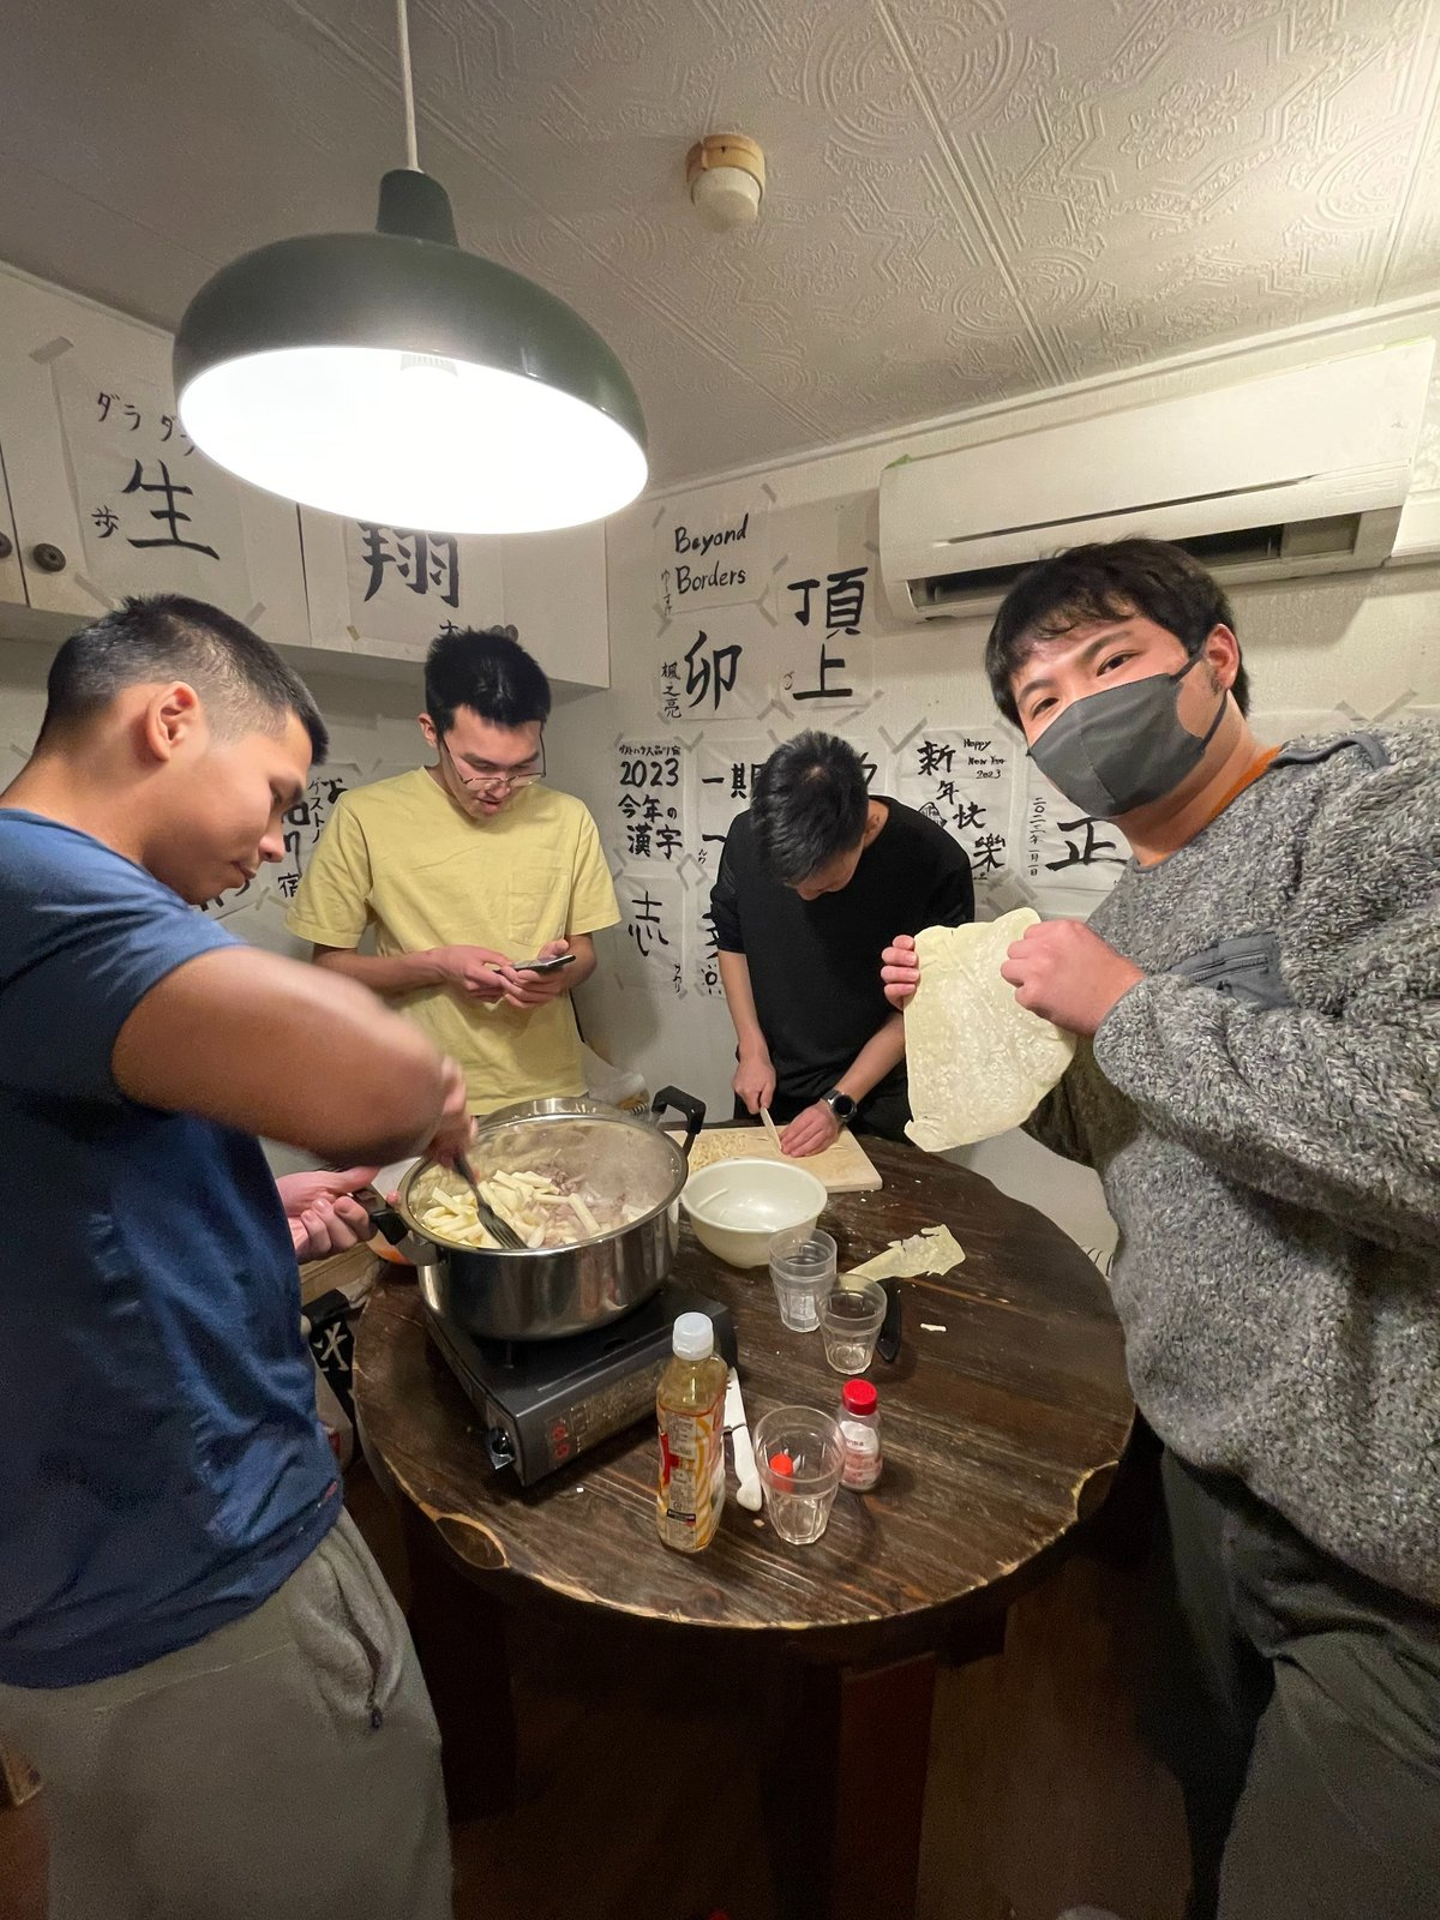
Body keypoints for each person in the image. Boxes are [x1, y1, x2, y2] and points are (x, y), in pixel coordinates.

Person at [881, 538, 1440, 1920]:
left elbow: (1421, 1124)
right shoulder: (1128, 909)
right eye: (1039, 699)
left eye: (1108, 661)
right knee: (1213, 1795)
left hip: (1388, 1540)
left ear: (1216, 660)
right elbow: (1120, 1141)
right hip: (1200, 1470)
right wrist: (984, 1023)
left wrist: (1126, 1006)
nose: (1074, 709)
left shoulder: (1374, 807)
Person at [0, 595, 471, 1920]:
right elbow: (381, 1082)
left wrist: (248, 1207)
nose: (273, 845)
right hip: (201, 1572)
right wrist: (435, 1089)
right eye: (274, 797)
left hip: (71, 1580)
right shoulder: (43, 881)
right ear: (170, 719)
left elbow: (62, 1198)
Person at [287, 623, 620, 1114]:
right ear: (431, 731)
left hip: (551, 1090)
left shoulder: (568, 817)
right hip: (424, 1095)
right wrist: (436, 966)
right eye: (480, 767)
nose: (501, 786)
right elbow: (329, 968)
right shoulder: (364, 816)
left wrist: (560, 974)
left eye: (522, 767)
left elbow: (585, 952)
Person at [712, 729, 973, 1155]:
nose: (805, 897)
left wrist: (837, 1103)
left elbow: (924, 1002)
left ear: (864, 828)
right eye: (792, 885)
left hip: (876, 1096)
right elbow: (731, 940)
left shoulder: (933, 861)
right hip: (771, 1078)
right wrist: (752, 1047)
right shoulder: (748, 837)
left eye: (826, 885)